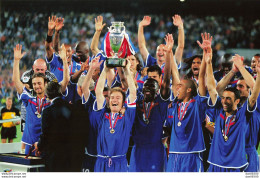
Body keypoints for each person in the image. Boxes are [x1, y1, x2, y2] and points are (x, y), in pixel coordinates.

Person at [206, 51, 260, 172]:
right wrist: (220, 134)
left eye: (241, 86)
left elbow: (255, 89)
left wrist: (242, 67)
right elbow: (207, 122)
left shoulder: (246, 110)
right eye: (237, 86)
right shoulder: (223, 106)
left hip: (246, 153)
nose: (237, 88)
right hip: (221, 155)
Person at [12, 44, 69, 155]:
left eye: (39, 83)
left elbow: (65, 81)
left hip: (46, 144)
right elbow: (16, 83)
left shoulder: (51, 101)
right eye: (34, 84)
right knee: (29, 171)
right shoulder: (28, 99)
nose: (37, 86)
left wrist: (64, 60)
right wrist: (16, 60)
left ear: (46, 84)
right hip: (29, 143)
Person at [129, 34, 172, 172]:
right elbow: (129, 84)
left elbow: (166, 81)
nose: (148, 88)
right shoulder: (138, 101)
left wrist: (169, 53)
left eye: (152, 85)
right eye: (147, 84)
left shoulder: (162, 101)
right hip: (138, 149)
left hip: (155, 149)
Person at [92, 57, 137, 172]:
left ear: (123, 103)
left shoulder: (127, 118)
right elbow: (98, 91)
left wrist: (127, 70)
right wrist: (105, 70)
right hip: (101, 163)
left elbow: (133, 91)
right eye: (112, 98)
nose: (114, 100)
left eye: (118, 98)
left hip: (119, 163)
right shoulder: (102, 116)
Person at [33, 81, 73, 172]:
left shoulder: (47, 111)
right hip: (70, 155)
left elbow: (45, 135)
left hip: (53, 156)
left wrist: (39, 146)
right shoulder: (71, 107)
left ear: (47, 94)